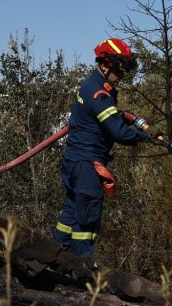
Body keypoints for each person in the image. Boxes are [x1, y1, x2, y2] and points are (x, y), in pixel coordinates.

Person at [53, 38, 159, 260]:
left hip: (76, 161)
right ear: (104, 65)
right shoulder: (98, 93)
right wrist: (147, 136)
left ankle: (53, 257)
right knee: (87, 221)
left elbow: (102, 118)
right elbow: (119, 133)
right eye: (119, 70)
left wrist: (123, 116)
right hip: (87, 165)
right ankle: (79, 269)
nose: (122, 75)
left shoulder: (95, 86)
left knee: (71, 213)